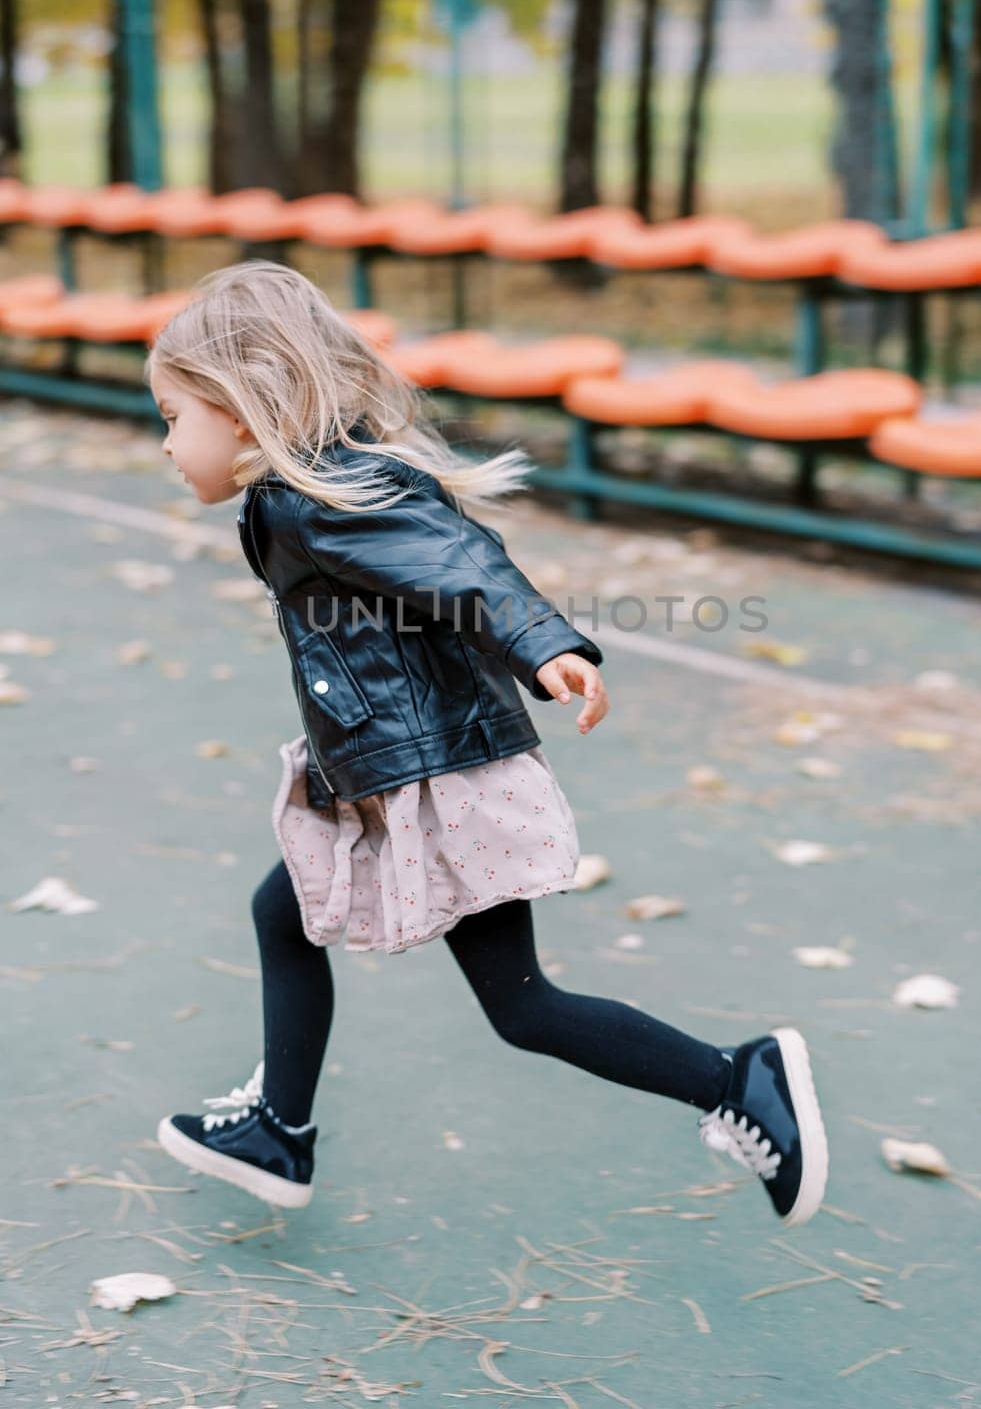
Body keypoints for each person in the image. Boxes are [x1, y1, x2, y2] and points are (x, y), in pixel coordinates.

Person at [145, 259, 828, 1226]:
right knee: (287, 913)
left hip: (437, 775)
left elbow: (456, 562)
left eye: (174, 417)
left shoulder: (322, 494)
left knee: (522, 1007)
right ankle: (278, 1133)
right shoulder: (299, 495)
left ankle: (738, 1080)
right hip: (394, 767)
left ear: (242, 409)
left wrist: (543, 644)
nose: (168, 445)